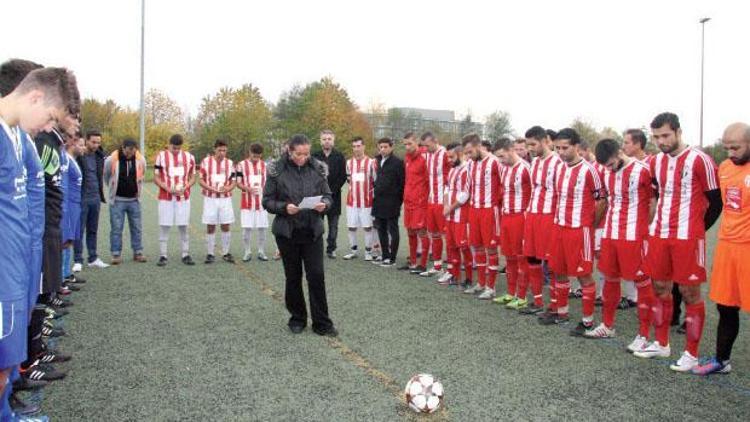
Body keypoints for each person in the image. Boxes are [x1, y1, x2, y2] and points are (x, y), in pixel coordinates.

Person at [0, 65, 80, 422]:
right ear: (34, 97)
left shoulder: (18, 139)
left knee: (6, 361)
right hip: (5, 267)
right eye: (50, 116)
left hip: (16, 264)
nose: (50, 128)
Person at [634, 112, 722, 373]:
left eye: (666, 135)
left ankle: (691, 355)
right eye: (657, 137)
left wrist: (697, 230)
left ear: (678, 132)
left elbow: (716, 201)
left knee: (689, 292)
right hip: (660, 233)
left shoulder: (700, 159)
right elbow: (658, 194)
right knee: (660, 286)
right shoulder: (655, 162)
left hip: (687, 237)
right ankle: (662, 343)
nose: (661, 141)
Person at [584, 139, 656, 353]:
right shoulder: (604, 171)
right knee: (609, 278)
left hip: (634, 235)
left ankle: (643, 335)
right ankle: (607, 325)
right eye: (605, 165)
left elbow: (653, 203)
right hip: (610, 233)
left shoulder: (643, 170)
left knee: (642, 282)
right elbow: (604, 201)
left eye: (611, 164)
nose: (608, 168)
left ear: (619, 153)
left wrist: (645, 228)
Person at [262, 134, 337, 336]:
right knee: (293, 277)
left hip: (312, 230)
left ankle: (322, 322)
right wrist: (285, 207)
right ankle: (297, 318)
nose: (303, 158)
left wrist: (325, 205)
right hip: (288, 232)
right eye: (298, 154)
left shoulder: (318, 168)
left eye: (306, 153)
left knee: (316, 275)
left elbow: (329, 196)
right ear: (289, 150)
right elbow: (267, 201)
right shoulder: (276, 171)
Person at [692, 122, 750, 375]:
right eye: (726, 147)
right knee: (725, 306)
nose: (730, 153)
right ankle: (721, 360)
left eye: (735, 147)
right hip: (727, 247)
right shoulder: (724, 168)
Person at [539, 128, 605, 336]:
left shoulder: (588, 170)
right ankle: (562, 312)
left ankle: (587, 321)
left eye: (565, 148)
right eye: (557, 148)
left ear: (576, 147)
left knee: (584, 274)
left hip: (579, 230)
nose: (560, 152)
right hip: (559, 227)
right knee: (557, 269)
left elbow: (602, 199)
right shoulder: (558, 168)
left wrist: (590, 224)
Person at [521, 126, 563, 316]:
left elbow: (561, 193)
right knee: (532, 259)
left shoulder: (558, 162)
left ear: (545, 141)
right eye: (528, 144)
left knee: (552, 263)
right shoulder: (534, 162)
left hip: (549, 217)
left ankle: (555, 307)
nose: (530, 148)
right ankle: (537, 301)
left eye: (533, 144)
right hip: (533, 216)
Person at [462, 133, 502, 299]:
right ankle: (481, 283)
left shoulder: (495, 162)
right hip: (475, 209)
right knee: (477, 246)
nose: (468, 156)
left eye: (470, 151)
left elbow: (504, 184)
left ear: (478, 146)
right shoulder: (470, 164)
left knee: (491, 248)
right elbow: (468, 188)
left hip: (489, 210)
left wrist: (498, 205)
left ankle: (491, 287)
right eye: (467, 153)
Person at [492, 139, 531, 309]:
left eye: (502, 156)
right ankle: (510, 293)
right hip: (506, 216)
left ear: (510, 150)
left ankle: (522, 297)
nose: (500, 160)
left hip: (521, 217)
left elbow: (533, 194)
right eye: (498, 157)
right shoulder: (505, 169)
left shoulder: (525, 168)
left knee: (521, 257)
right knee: (509, 257)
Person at [154, 134, 197, 266]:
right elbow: (156, 177)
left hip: (183, 198)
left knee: (183, 226)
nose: (176, 150)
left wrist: (186, 186)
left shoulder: (189, 157)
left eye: (178, 148)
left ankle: (185, 254)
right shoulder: (161, 156)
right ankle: (163, 255)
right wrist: (168, 188)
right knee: (164, 225)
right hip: (166, 197)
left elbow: (193, 177)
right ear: (169, 144)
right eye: (174, 148)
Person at [104, 138, 147, 264]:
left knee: (137, 227)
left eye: (133, 151)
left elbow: (142, 173)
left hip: (134, 200)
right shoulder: (111, 160)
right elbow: (106, 176)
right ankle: (116, 254)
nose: (131, 154)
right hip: (117, 200)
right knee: (116, 228)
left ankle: (138, 252)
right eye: (128, 151)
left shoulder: (140, 159)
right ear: (123, 148)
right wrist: (112, 188)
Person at [74, 129, 108, 270]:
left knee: (93, 230)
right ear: (86, 140)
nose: (95, 145)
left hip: (95, 198)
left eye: (98, 142)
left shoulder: (100, 156)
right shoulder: (78, 156)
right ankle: (78, 260)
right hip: (82, 198)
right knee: (79, 230)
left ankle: (93, 258)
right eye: (93, 142)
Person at [439, 142, 471, 287]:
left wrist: (450, 208)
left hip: (461, 215)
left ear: (460, 154)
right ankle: (454, 275)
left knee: (463, 246)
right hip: (450, 214)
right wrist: (446, 205)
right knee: (451, 246)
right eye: (448, 157)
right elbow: (447, 189)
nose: (449, 160)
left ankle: (469, 278)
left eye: (451, 157)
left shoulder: (466, 170)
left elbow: (465, 194)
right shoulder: (452, 170)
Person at [199, 139, 236, 264]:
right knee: (211, 226)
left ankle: (226, 252)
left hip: (225, 199)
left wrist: (227, 188)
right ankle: (210, 253)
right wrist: (213, 189)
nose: (222, 152)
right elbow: (201, 180)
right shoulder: (206, 162)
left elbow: (234, 182)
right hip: (210, 199)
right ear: (214, 149)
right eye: (220, 150)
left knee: (226, 225)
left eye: (224, 150)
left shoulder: (230, 163)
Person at [398, 132, 430, 274]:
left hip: (420, 202)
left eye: (410, 143)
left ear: (417, 142)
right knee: (410, 231)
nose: (407, 147)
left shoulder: (425, 157)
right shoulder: (407, 158)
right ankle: (412, 262)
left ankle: (422, 264)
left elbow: (429, 180)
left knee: (421, 232)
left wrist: (424, 197)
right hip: (409, 201)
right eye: (405, 144)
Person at [312, 129, 347, 259]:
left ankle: (331, 249)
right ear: (320, 141)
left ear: (333, 140)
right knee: (317, 225)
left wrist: (331, 191)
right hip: (318, 197)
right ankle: (316, 248)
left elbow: (343, 176)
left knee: (333, 226)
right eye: (324, 139)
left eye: (329, 139)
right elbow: (311, 175)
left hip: (334, 196)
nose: (327, 141)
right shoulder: (314, 156)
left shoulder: (339, 156)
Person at [342, 137, 377, 261]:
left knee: (368, 227)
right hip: (352, 202)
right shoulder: (348, 163)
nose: (356, 149)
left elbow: (375, 181)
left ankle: (368, 252)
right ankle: (353, 251)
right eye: (354, 146)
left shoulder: (371, 162)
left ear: (363, 147)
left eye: (358, 146)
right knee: (351, 227)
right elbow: (348, 179)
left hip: (367, 202)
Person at [421, 132, 451, 277]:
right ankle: (437, 265)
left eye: (428, 145)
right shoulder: (428, 155)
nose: (425, 148)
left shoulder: (445, 154)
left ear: (436, 141)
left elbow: (450, 178)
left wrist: (447, 202)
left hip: (442, 202)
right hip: (431, 201)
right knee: (434, 234)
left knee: (446, 235)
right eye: (424, 146)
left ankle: (452, 268)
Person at [372, 137, 404, 267]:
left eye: (385, 147)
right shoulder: (377, 160)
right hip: (379, 201)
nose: (383, 149)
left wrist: (398, 201)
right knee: (381, 229)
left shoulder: (398, 162)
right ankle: (385, 255)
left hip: (392, 202)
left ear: (391, 147)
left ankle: (392, 258)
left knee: (393, 229)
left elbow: (402, 183)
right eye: (381, 147)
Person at [236, 142, 269, 262]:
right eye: (254, 156)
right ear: (250, 153)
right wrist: (248, 189)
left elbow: (268, 183)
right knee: (246, 228)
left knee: (262, 228)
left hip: (262, 202)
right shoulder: (240, 165)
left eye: (258, 156)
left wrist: (264, 190)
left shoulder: (265, 165)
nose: (256, 159)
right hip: (247, 202)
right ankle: (247, 251)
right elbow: (238, 183)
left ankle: (261, 251)